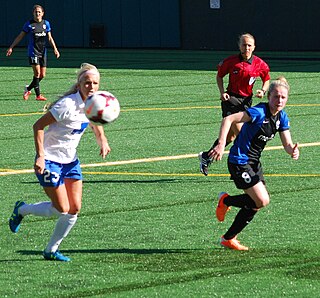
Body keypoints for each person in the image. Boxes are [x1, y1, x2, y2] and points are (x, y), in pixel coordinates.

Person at [9, 63, 111, 262]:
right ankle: (22, 209)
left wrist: (103, 140)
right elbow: (37, 126)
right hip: (50, 161)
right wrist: (40, 156)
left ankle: (51, 250)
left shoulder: (94, 103)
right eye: (87, 82)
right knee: (61, 209)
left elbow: (95, 123)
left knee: (75, 209)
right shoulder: (67, 105)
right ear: (79, 84)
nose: (91, 86)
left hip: (71, 162)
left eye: (95, 83)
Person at [208, 77, 299, 250]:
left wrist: (292, 150)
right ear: (269, 96)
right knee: (262, 200)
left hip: (254, 163)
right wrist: (221, 144)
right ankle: (226, 201)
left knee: (256, 204)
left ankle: (228, 237)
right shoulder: (259, 112)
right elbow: (229, 119)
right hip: (239, 161)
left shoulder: (282, 117)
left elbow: (287, 144)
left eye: (283, 97)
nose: (279, 100)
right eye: (276, 96)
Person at [199, 33, 270, 176]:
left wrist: (263, 90)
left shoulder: (260, 64)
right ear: (239, 46)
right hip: (231, 100)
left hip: (246, 102)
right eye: (244, 45)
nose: (247, 48)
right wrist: (221, 92)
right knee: (242, 135)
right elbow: (219, 76)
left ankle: (206, 156)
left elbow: (266, 79)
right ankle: (240, 168)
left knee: (230, 137)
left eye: (249, 45)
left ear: (254, 47)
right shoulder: (231, 61)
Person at [6, 4, 60, 101]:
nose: (37, 13)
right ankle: (38, 95)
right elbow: (20, 36)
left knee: (43, 75)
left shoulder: (46, 24)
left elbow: (50, 38)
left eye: (39, 12)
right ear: (33, 13)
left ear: (42, 13)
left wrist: (55, 49)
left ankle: (28, 89)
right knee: (37, 73)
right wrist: (11, 47)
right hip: (33, 52)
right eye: (36, 12)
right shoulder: (29, 24)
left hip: (43, 52)